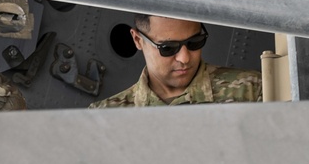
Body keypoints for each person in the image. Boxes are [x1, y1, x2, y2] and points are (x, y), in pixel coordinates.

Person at [90, 14, 262, 108]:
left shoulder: (251, 90)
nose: (184, 58)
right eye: (168, 48)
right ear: (138, 40)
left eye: (194, 42)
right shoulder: (104, 117)